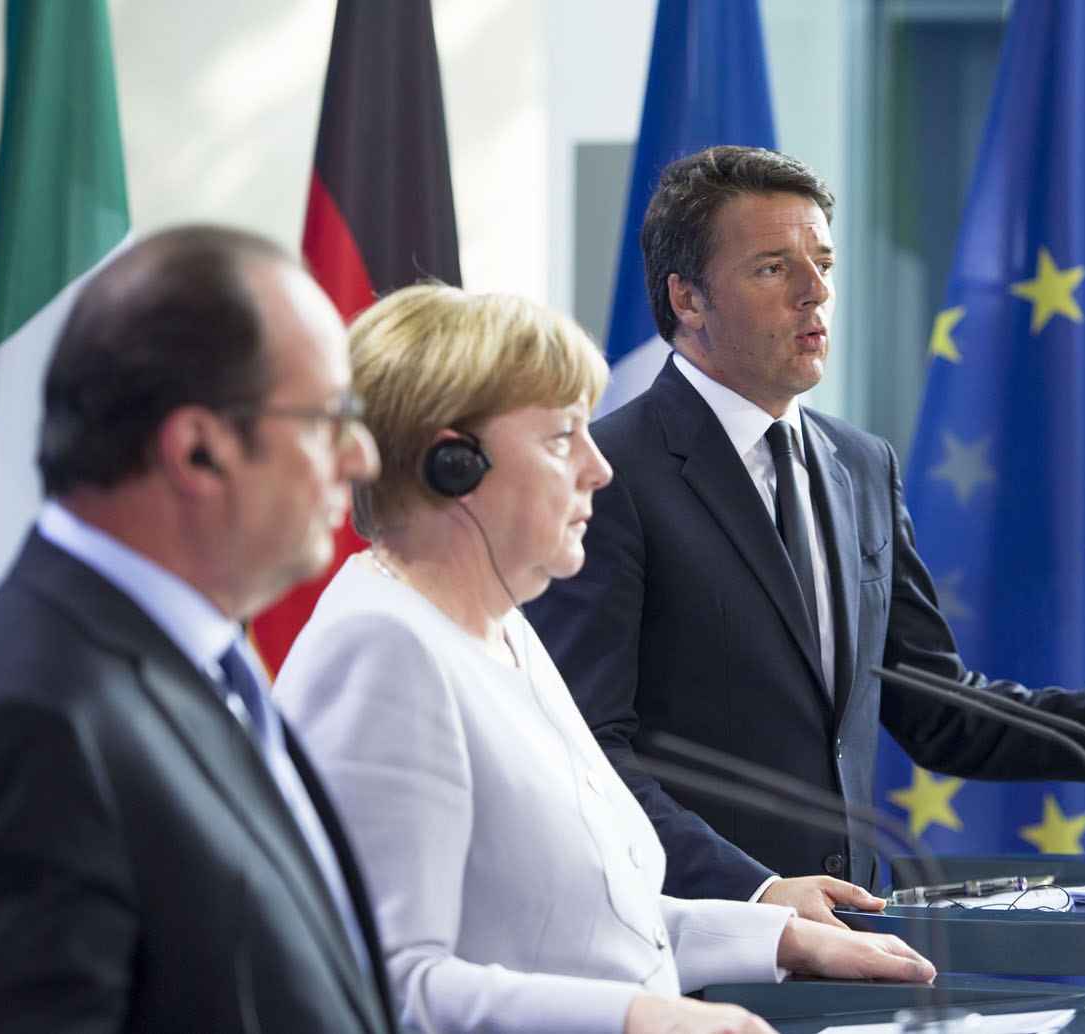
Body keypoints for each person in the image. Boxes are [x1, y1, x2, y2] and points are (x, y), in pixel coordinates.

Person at [525, 146, 1085, 922]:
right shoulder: (607, 474)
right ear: (688, 299)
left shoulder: (860, 465)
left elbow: (938, 709)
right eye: (773, 268)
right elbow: (588, 749)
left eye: (823, 262)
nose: (816, 293)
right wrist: (755, 890)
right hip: (695, 943)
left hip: (857, 931)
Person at [272, 284, 934, 1034]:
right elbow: (383, 986)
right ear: (451, 464)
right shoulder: (383, 651)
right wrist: (640, 1018)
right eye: (561, 437)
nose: (599, 467)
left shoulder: (502, 627)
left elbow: (581, 923)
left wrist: (776, 935)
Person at [0, 226, 395, 1034]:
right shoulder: (26, 729)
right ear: (196, 451)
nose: (360, 456)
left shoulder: (202, 661)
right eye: (331, 417)